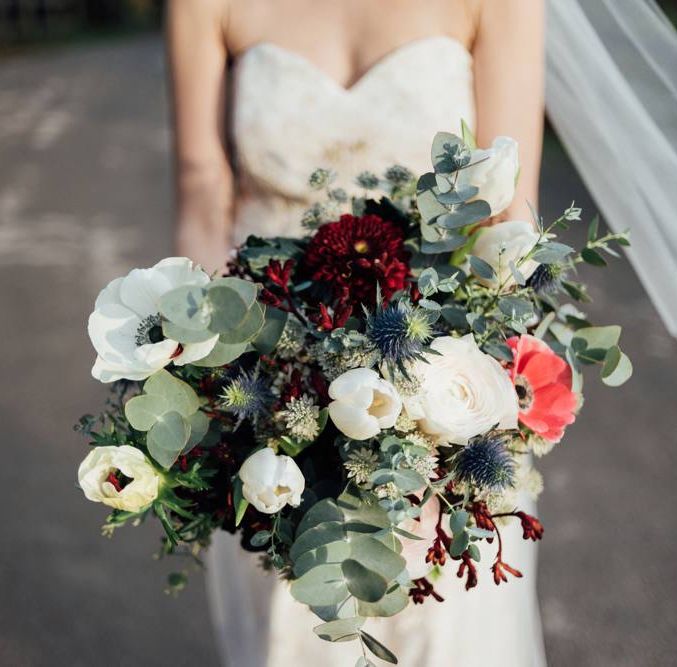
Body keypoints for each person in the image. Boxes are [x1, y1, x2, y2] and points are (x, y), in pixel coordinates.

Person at [167, 1, 547, 665]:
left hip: (441, 386)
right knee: (292, 632)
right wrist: (204, 374)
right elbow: (203, 195)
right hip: (271, 398)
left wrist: (448, 420)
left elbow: (507, 219)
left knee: (445, 634)